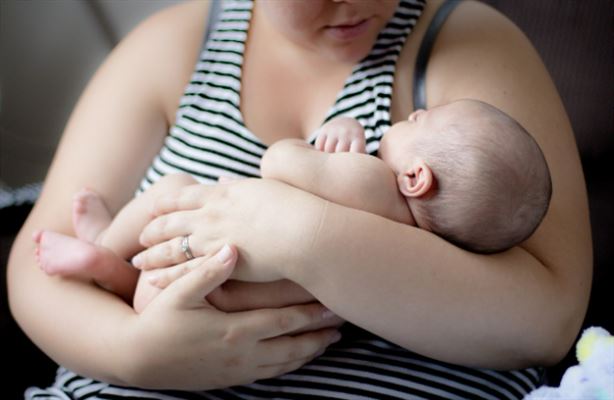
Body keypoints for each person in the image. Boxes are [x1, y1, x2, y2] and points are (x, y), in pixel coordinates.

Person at [8, 0, 591, 399]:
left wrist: (299, 235)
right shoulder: (169, 46)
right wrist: (138, 353)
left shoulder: (468, 47)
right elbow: (37, 273)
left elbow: (549, 319)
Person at [31, 98, 552, 314]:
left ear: (415, 178)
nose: (412, 113)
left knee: (170, 190)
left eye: (421, 122)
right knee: (152, 290)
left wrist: (331, 136)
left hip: (208, 243)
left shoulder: (373, 180)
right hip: (231, 297)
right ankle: (106, 269)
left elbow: (279, 165)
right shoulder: (419, 256)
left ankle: (104, 246)